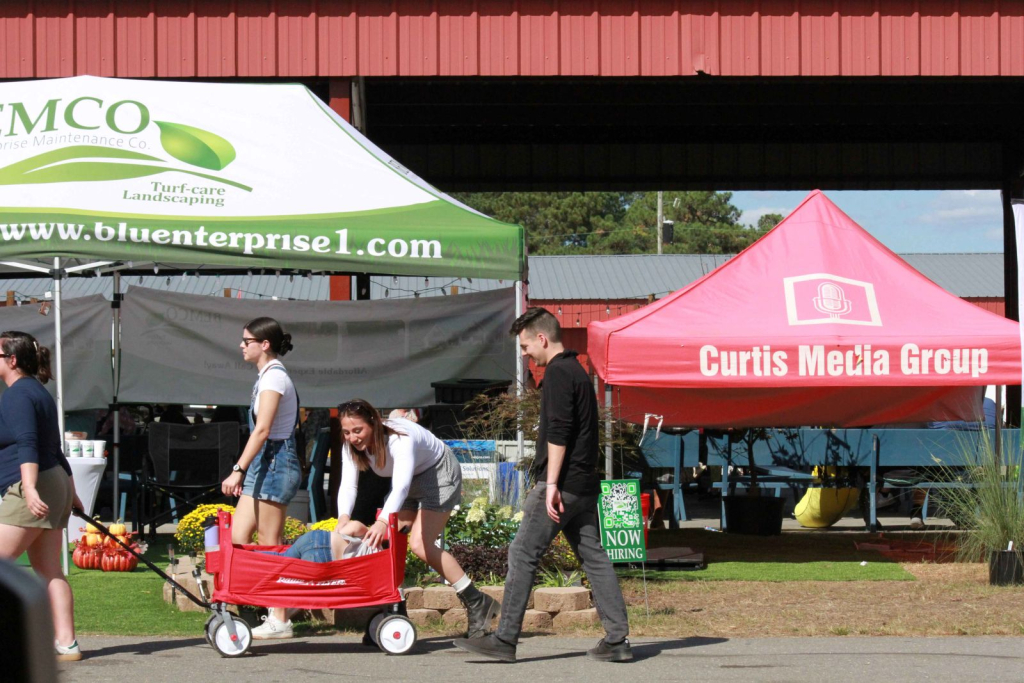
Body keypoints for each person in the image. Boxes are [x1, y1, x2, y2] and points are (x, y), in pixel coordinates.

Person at [453, 307, 631, 663]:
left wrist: (550, 484)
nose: (524, 354)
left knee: (522, 553)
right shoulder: (578, 371)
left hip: (561, 486)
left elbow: (560, 432)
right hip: (584, 485)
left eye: (524, 346)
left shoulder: (559, 373)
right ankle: (617, 641)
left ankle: (504, 640)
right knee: (594, 558)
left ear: (542, 338)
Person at [337, 399, 498, 638]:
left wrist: (383, 520)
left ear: (373, 422)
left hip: (438, 473)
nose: (353, 438)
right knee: (390, 540)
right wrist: (343, 518)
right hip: (411, 479)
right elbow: (349, 485)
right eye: (347, 432)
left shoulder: (399, 438)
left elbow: (400, 486)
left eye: (358, 430)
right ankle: (396, 610)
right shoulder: (351, 445)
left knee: (420, 544)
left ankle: (478, 602)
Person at [0, 331, 84, 662]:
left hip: (33, 485)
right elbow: (54, 448)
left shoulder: (18, 394)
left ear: (12, 360)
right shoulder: (36, 390)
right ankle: (66, 644)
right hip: (54, 481)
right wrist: (71, 492)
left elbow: (29, 443)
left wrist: (30, 488)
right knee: (49, 569)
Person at [220, 317, 301, 639]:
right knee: (238, 538)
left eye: (247, 340)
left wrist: (237, 468)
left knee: (271, 544)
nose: (241, 345)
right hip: (264, 463)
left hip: (277, 461)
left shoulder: (274, 379)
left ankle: (280, 619)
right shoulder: (266, 376)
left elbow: (264, 430)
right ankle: (259, 603)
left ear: (264, 344)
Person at [261, 519, 380, 562]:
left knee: (281, 557)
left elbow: (355, 526)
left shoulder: (373, 541)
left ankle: (249, 556)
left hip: (318, 538)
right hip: (326, 559)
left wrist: (340, 534)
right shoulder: (371, 567)